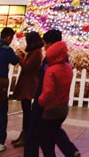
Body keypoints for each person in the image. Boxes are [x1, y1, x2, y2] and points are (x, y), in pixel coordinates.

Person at [38, 36, 81, 157]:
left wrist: (40, 101)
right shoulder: (68, 68)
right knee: (55, 130)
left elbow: (49, 92)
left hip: (51, 108)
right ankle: (71, 151)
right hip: (63, 107)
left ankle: (69, 151)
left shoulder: (51, 70)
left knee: (46, 137)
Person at [24, 29, 62, 157]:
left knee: (34, 136)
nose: (44, 46)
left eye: (45, 43)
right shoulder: (62, 59)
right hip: (53, 104)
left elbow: (47, 84)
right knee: (47, 139)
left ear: (50, 43)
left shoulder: (51, 60)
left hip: (44, 103)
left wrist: (40, 101)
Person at [11, 31, 45, 148]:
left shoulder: (36, 52)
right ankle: (24, 134)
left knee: (27, 112)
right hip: (27, 83)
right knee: (26, 111)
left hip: (29, 85)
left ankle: (27, 135)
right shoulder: (34, 51)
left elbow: (28, 66)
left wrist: (20, 58)